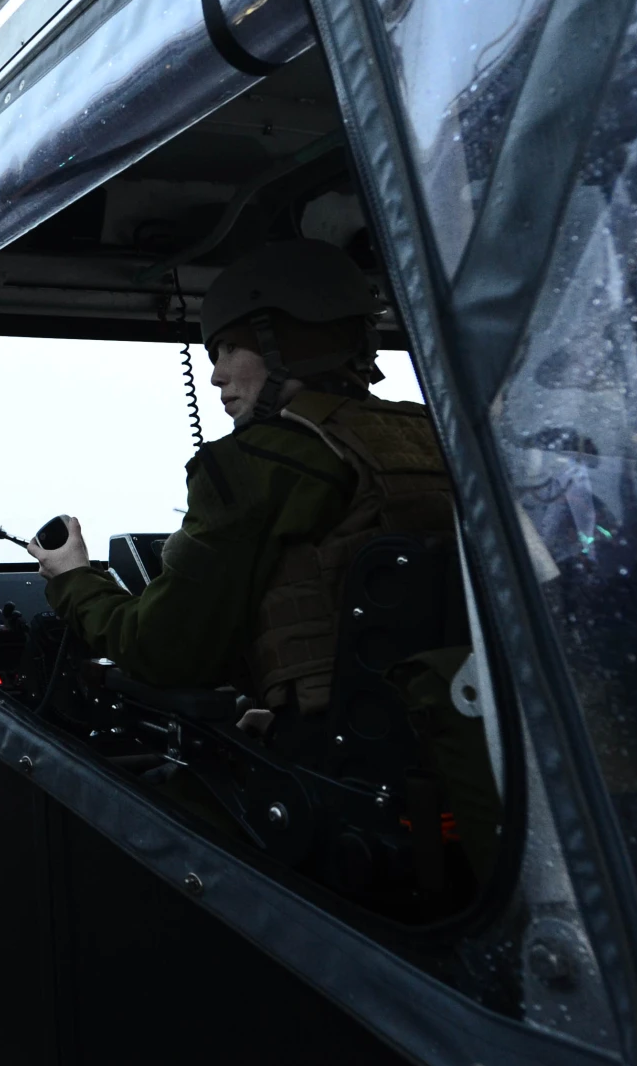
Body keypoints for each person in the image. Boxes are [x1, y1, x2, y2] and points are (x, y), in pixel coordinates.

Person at [26, 239, 496, 878]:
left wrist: (74, 580)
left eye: (227, 349)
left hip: (343, 789)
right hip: (463, 762)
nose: (215, 374)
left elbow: (162, 650)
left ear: (287, 342)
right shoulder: (441, 437)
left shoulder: (256, 463)